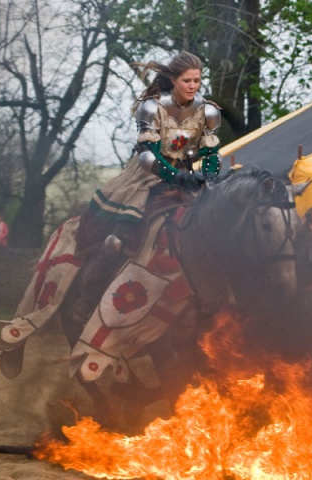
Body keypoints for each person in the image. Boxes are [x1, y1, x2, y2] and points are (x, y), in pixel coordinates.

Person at [71, 50, 222, 324]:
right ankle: (87, 298)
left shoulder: (207, 111)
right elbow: (147, 155)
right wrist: (176, 176)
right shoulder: (152, 107)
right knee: (117, 240)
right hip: (145, 176)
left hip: (188, 176)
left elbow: (212, 152)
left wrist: (208, 176)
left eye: (197, 80)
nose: (193, 86)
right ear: (174, 79)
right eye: (187, 80)